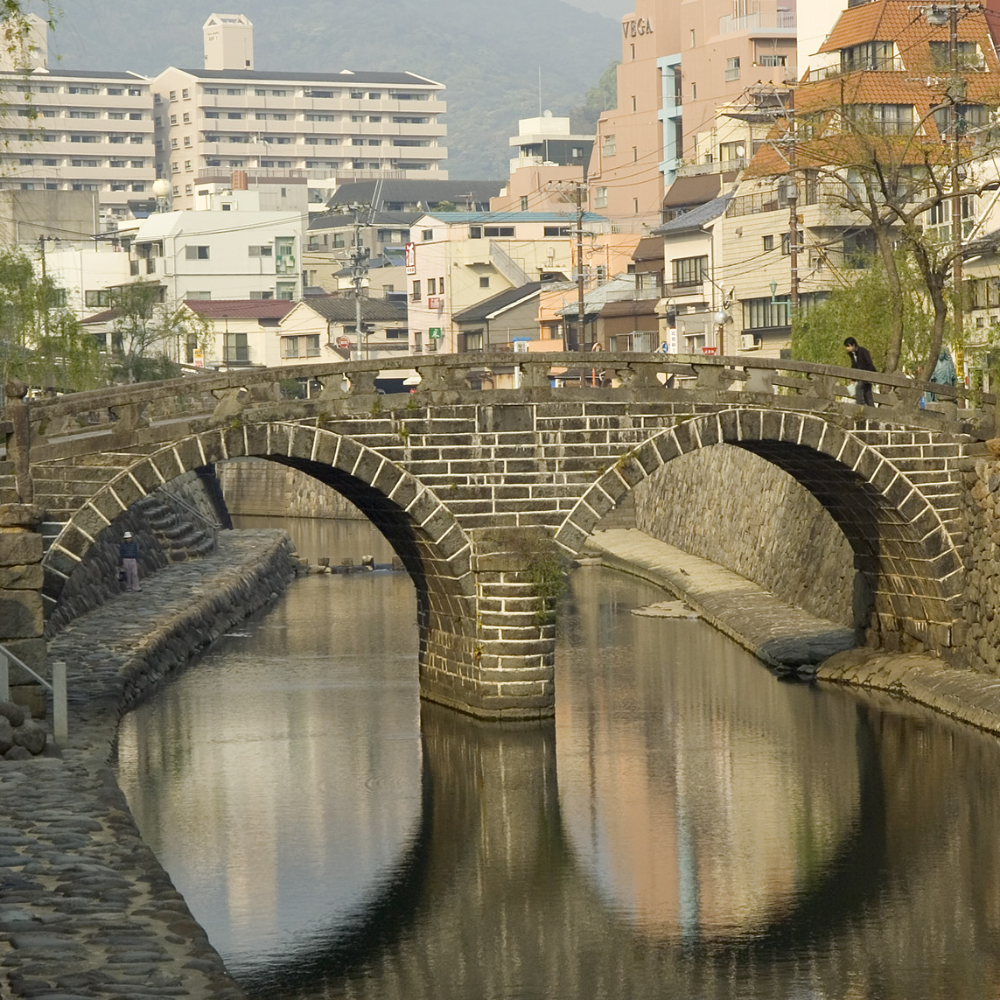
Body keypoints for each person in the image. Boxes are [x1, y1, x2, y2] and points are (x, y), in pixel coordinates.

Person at [844, 336, 876, 407]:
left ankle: (859, 407)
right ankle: (874, 412)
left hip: (867, 375)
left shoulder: (863, 351)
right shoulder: (852, 354)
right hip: (860, 376)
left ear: (854, 345)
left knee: (859, 387)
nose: (847, 348)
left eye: (848, 346)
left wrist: (869, 376)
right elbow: (854, 366)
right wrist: (853, 379)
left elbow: (869, 364)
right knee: (867, 394)